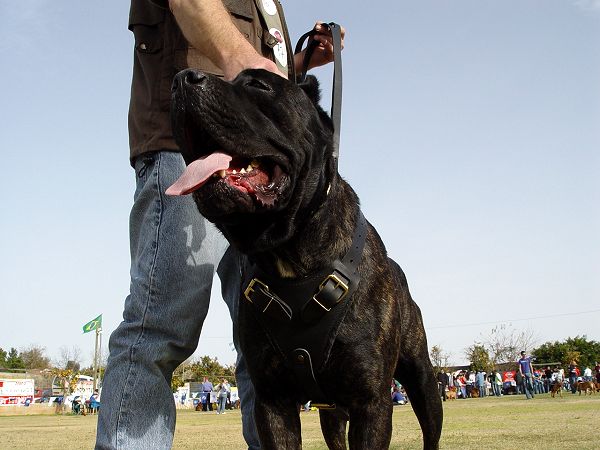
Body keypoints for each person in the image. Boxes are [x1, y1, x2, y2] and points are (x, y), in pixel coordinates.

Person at [95, 1, 344, 449]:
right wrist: (240, 58)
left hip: (254, 165)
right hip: (188, 150)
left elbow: (262, 82)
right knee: (161, 328)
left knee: (263, 343)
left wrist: (300, 63)